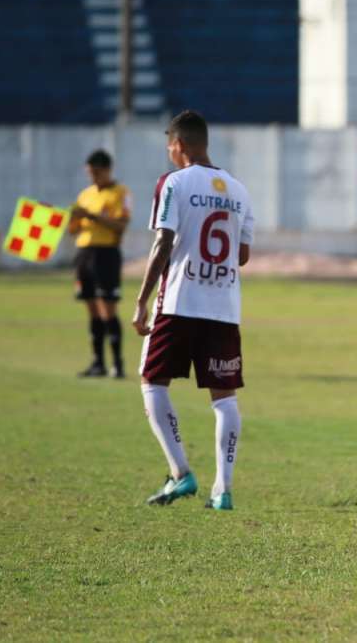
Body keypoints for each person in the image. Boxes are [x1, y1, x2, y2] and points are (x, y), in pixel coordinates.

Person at [131, 110, 255, 512]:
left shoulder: (173, 183)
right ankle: (223, 489)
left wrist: (141, 299)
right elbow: (243, 254)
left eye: (170, 143)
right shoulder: (238, 189)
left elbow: (163, 243)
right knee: (224, 397)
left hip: (179, 301)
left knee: (152, 381)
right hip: (223, 305)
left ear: (178, 144)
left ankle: (180, 472)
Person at [68, 149, 130, 378]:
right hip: (84, 253)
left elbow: (120, 226)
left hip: (106, 254)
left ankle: (117, 364)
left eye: (95, 172)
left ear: (107, 170)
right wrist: (74, 219)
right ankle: (98, 363)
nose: (92, 177)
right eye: (89, 173)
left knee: (109, 308)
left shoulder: (120, 193)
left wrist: (92, 216)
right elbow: (73, 230)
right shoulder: (85, 194)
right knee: (92, 309)